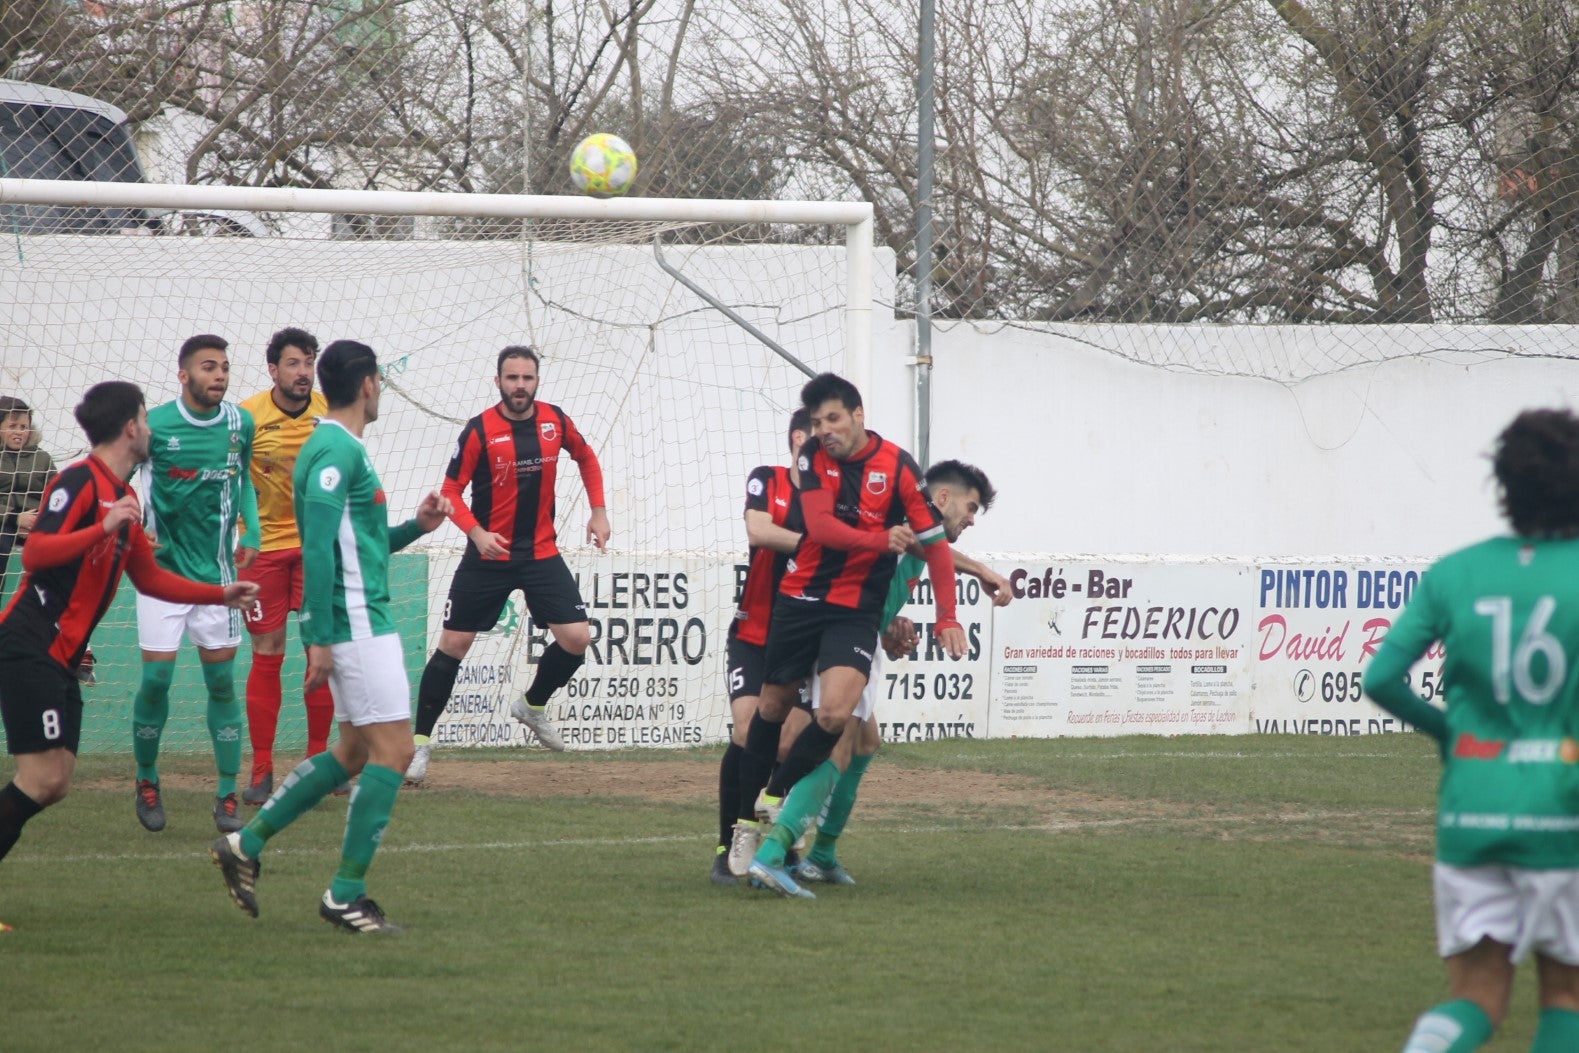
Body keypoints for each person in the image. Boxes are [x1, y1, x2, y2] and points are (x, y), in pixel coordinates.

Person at [210, 339, 451, 934]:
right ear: (368, 384)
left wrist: (414, 528)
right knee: (394, 752)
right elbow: (314, 547)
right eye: (380, 383)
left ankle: (246, 844)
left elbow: (357, 545)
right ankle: (345, 894)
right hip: (356, 624)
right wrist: (315, 633)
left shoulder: (339, 448)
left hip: (358, 618)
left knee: (351, 752)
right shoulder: (335, 452)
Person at [0, 382, 257, 926]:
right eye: (146, 417)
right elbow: (37, 555)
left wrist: (221, 593)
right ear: (131, 428)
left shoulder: (126, 499)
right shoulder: (79, 481)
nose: (152, 427)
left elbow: (152, 577)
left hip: (62, 657)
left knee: (58, 781)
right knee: (42, 779)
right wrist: (102, 524)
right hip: (30, 644)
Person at [1362, 407, 1579, 1053]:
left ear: (1504, 486)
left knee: (1474, 998)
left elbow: (1379, 679)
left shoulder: (1454, 572)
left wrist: (1452, 736)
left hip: (1472, 807)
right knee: (1565, 996)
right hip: (1562, 810)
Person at [741, 372, 967, 899]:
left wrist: (948, 615)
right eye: (817, 422)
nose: (824, 431)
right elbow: (820, 530)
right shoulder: (811, 460)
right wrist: (881, 539)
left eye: (833, 419)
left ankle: (777, 820)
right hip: (800, 601)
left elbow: (933, 544)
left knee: (837, 719)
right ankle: (750, 827)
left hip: (853, 613)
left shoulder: (898, 467)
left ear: (859, 415)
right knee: (770, 713)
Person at [792, 459, 1007, 888]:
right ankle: (782, 849)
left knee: (865, 741)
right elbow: (925, 547)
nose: (970, 520)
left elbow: (881, 582)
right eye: (970, 507)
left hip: (857, 637)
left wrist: (892, 624)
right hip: (836, 637)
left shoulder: (915, 534)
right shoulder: (909, 520)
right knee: (831, 745)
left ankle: (818, 852)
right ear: (942, 498)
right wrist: (982, 570)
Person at [403, 345, 610, 785]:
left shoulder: (555, 420)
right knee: (453, 647)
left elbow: (587, 457)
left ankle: (531, 705)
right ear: (497, 381)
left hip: (540, 553)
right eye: (512, 378)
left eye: (527, 378)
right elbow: (450, 491)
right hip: (487, 556)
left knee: (577, 638)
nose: (520, 386)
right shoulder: (479, 430)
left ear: (537, 381)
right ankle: (419, 746)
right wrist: (476, 533)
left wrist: (598, 511)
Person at [132, 334, 260, 834]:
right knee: (157, 680)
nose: (220, 375)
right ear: (183, 375)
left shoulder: (239, 423)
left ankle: (228, 794)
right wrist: (135, 520)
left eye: (225, 367)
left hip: (218, 578)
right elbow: (125, 475)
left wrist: (253, 525)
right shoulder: (155, 426)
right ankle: (146, 779)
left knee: (222, 682)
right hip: (161, 577)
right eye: (209, 367)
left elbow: (244, 476)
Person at [712, 408, 815, 885]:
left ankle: (785, 839)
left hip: (805, 638)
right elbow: (758, 531)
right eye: (820, 430)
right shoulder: (767, 480)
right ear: (798, 437)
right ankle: (727, 843)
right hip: (753, 634)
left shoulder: (835, 497)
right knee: (747, 729)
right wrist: (822, 544)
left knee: (790, 740)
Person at [237, 327, 334, 805]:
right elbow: (230, 479)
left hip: (317, 550)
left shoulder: (328, 414)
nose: (304, 372)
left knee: (320, 654)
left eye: (309, 362)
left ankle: (319, 764)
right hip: (262, 552)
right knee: (268, 653)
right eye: (294, 363)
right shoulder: (247, 417)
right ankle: (261, 769)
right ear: (273, 369)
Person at [0, 396, 57, 599]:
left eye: (24, 427)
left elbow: (56, 493)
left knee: (58, 553)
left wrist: (38, 520)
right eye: (12, 426)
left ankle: (45, 610)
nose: (19, 432)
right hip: (4, 522)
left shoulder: (41, 458)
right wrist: (16, 518)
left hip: (35, 521)